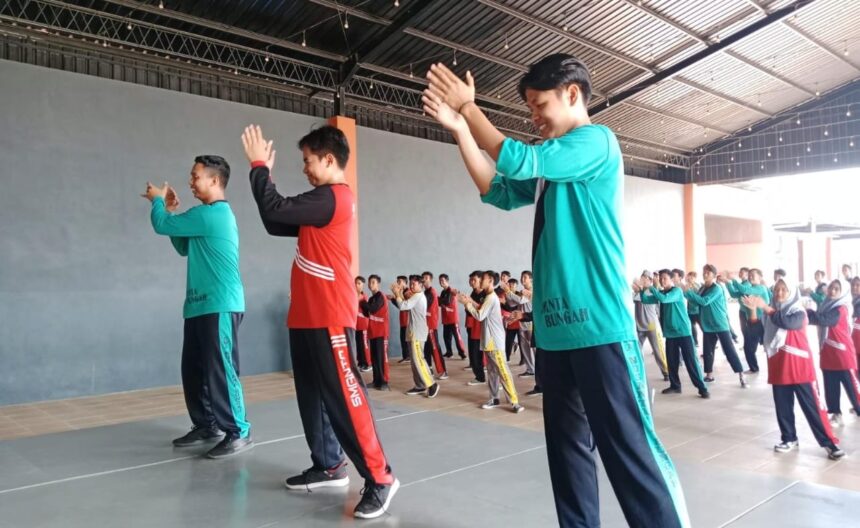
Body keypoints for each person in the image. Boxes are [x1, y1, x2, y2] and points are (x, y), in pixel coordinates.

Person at [423, 53, 690, 528]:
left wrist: (470, 109)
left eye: (538, 104)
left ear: (572, 94)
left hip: (600, 329)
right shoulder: (552, 166)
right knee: (568, 457)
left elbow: (519, 158)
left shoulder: (595, 142)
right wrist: (462, 132)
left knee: (630, 454)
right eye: (528, 108)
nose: (533, 116)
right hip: (555, 336)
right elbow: (498, 190)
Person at [242, 125, 397, 519]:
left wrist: (260, 166)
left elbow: (275, 207)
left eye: (309, 161)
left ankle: (380, 477)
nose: (306, 169)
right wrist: (264, 180)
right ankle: (329, 464)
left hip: (329, 314)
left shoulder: (334, 198)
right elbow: (275, 221)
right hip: (306, 315)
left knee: (345, 398)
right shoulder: (319, 203)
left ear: (328, 159)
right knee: (311, 396)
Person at [142, 155, 252, 459]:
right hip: (198, 307)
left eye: (195, 177)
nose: (191, 182)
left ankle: (238, 430)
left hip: (220, 305)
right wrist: (170, 209)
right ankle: (207, 424)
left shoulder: (214, 214)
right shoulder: (202, 217)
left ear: (214, 181)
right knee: (193, 370)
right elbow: (180, 244)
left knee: (220, 370)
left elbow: (161, 225)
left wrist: (158, 202)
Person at [742, 278, 845, 460]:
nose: (779, 293)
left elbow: (788, 323)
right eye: (777, 290)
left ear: (791, 292)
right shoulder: (770, 313)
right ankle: (789, 438)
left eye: (784, 290)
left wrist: (765, 307)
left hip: (800, 368)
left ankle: (829, 443)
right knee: (783, 406)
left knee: (813, 408)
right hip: (779, 366)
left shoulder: (799, 312)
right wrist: (753, 310)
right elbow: (756, 331)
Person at [459, 271, 524, 413]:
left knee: (503, 371)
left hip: (495, 342)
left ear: (490, 282)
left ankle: (514, 402)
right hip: (489, 342)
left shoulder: (491, 297)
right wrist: (469, 302)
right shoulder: (487, 297)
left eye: (483, 279)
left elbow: (480, 315)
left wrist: (467, 304)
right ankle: (494, 398)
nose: (481, 280)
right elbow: (482, 309)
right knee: (492, 372)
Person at [640, 270, 710, 399]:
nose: (662, 280)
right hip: (670, 334)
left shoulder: (676, 291)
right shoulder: (661, 292)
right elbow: (645, 300)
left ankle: (702, 388)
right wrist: (643, 288)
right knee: (672, 362)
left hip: (683, 332)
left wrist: (652, 287)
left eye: (665, 278)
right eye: (661, 278)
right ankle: (675, 386)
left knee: (691, 362)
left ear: (672, 280)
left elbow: (665, 300)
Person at [807, 279, 860, 427]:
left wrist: (805, 313)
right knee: (830, 385)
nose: (833, 291)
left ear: (842, 291)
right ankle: (836, 413)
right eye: (831, 288)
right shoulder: (826, 304)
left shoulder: (842, 308)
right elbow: (820, 318)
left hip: (842, 353)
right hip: (827, 352)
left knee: (851, 386)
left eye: (837, 289)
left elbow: (825, 320)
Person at [685, 265, 746, 387]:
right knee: (708, 351)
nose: (705, 274)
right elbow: (696, 301)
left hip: (720, 324)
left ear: (713, 275)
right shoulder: (702, 288)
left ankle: (741, 374)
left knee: (729, 350)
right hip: (707, 325)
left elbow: (704, 301)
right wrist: (687, 293)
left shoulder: (716, 288)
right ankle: (709, 375)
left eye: (708, 272)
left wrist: (689, 293)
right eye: (704, 272)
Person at [393, 276, 440, 399]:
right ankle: (420, 385)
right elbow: (405, 303)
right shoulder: (415, 296)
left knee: (419, 360)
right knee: (414, 361)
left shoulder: (419, 296)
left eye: (414, 284)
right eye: (411, 284)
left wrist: (397, 294)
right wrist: (399, 294)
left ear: (420, 285)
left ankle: (432, 384)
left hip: (418, 333)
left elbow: (403, 306)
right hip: (412, 332)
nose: (412, 286)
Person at [728, 268, 770, 373]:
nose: (750, 277)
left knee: (768, 346)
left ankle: (774, 368)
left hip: (763, 322)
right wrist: (727, 282)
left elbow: (746, 291)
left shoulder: (760, 288)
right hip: (753, 322)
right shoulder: (750, 288)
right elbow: (734, 294)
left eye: (753, 275)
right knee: (748, 347)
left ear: (760, 277)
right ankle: (754, 368)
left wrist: (733, 280)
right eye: (749, 275)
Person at [633, 271, 669, 381]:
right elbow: (635, 297)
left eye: (645, 278)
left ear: (649, 280)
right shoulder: (636, 293)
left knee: (658, 350)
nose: (643, 280)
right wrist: (637, 288)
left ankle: (666, 372)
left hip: (651, 324)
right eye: (642, 277)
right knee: (637, 351)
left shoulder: (652, 291)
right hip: (639, 325)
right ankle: (638, 373)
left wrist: (640, 288)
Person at [361, 275, 391, 391]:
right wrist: (364, 305)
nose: (370, 284)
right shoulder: (371, 298)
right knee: (374, 358)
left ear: (378, 284)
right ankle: (376, 380)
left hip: (381, 332)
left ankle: (384, 382)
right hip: (373, 332)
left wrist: (362, 301)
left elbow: (372, 309)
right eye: (369, 282)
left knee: (381, 358)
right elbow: (367, 313)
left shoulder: (380, 296)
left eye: (373, 282)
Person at [422, 271, 448, 379]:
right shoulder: (425, 292)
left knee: (435, 349)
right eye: (423, 278)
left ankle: (443, 371)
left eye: (426, 278)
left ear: (431, 280)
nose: (424, 280)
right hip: (425, 326)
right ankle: (429, 369)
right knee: (426, 349)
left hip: (431, 326)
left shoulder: (431, 292)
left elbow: (424, 305)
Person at [465, 271, 487, 385]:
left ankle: (481, 377)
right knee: (473, 355)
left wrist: (469, 302)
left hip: (481, 328)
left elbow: (481, 310)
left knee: (478, 354)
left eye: (474, 280)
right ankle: (480, 377)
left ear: (481, 280)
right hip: (472, 326)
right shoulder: (473, 292)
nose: (471, 282)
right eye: (470, 280)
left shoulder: (486, 295)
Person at [439, 274, 467, 359]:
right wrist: (440, 301)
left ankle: (462, 353)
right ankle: (449, 352)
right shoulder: (443, 292)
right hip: (446, 318)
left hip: (453, 318)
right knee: (446, 336)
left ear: (447, 281)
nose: (441, 282)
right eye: (440, 281)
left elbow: (447, 301)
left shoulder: (451, 290)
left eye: (443, 281)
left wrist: (439, 300)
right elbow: (440, 303)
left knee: (457, 337)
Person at [390, 275, 411, 363]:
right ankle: (406, 356)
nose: (397, 283)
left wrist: (395, 297)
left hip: (408, 320)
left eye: (399, 281)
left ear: (405, 282)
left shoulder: (408, 292)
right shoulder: (401, 292)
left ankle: (409, 356)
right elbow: (400, 306)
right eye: (397, 281)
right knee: (403, 339)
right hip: (403, 320)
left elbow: (405, 306)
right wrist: (393, 299)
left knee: (406, 339)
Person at [355, 276, 372, 372]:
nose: (356, 285)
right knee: (359, 345)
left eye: (359, 283)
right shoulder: (354, 295)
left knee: (364, 345)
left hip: (363, 325)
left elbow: (367, 311)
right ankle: (361, 363)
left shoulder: (363, 297)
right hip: (356, 325)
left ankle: (368, 364)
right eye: (356, 283)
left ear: (363, 285)